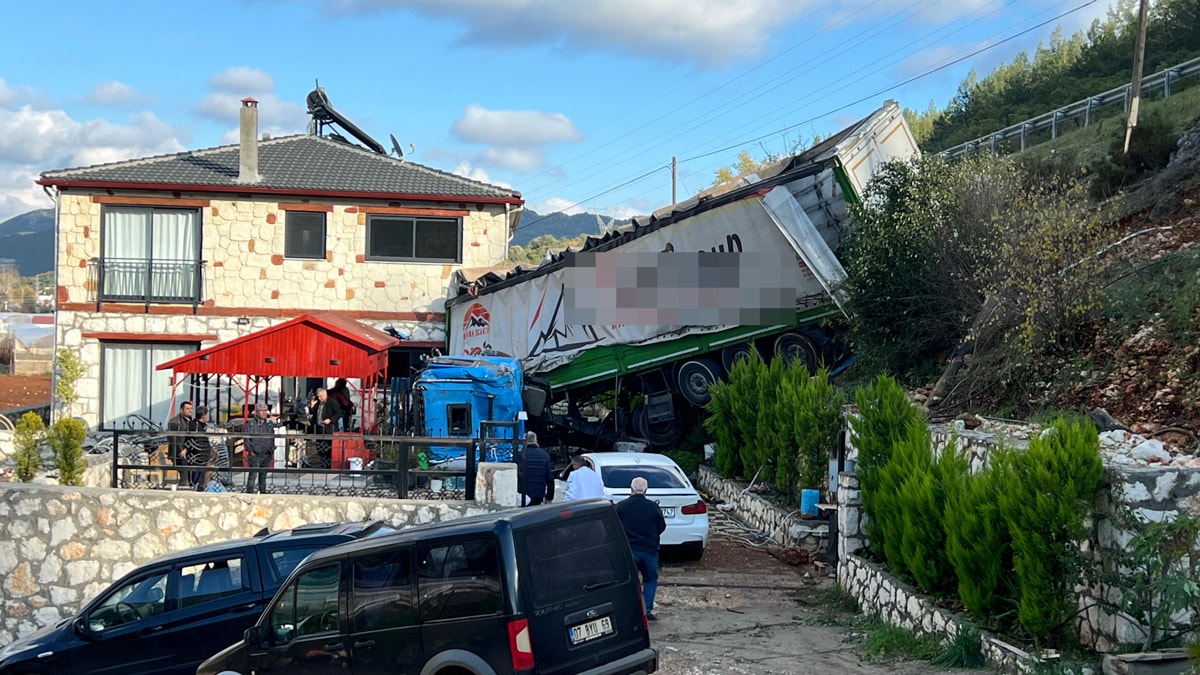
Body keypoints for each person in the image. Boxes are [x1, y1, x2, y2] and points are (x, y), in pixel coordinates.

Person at [615, 476, 667, 621]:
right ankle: (647, 610)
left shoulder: (621, 506)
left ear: (631, 489)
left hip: (629, 549)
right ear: (646, 490)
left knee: (629, 580)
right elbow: (661, 526)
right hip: (649, 549)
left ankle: (627, 610)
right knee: (650, 579)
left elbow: (614, 527)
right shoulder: (653, 507)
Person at [243, 404, 275, 494]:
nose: (264, 412)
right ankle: (250, 493)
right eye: (262, 410)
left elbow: (272, 437)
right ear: (256, 412)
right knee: (253, 475)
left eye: (265, 410)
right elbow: (246, 438)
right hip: (255, 454)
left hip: (266, 453)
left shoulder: (269, 424)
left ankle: (263, 492)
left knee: (263, 475)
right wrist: (250, 450)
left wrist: (271, 449)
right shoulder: (251, 424)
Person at [308, 388, 342, 468]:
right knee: (320, 446)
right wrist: (312, 407)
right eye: (318, 397)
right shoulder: (318, 403)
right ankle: (323, 463)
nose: (320, 398)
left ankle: (329, 464)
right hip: (319, 428)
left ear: (325, 394)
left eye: (321, 396)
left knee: (328, 447)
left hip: (329, 428)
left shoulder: (332, 402)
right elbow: (313, 413)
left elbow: (339, 413)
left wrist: (330, 419)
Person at [520, 431, 554, 506]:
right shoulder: (545, 456)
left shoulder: (520, 455)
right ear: (535, 440)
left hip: (522, 495)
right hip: (538, 494)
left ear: (524, 441)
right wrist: (549, 497)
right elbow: (550, 479)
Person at [186, 406, 213, 491]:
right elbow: (195, 441)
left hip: (203, 456)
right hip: (196, 456)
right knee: (196, 479)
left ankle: (200, 488)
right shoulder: (194, 426)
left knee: (202, 478)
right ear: (204, 416)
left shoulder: (202, 426)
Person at [166, 401, 195, 469]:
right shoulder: (175, 421)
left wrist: (188, 449)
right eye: (187, 409)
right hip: (178, 453)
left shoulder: (191, 421)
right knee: (184, 474)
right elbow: (172, 437)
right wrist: (181, 450)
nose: (190, 410)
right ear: (181, 410)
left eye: (191, 408)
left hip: (190, 452)